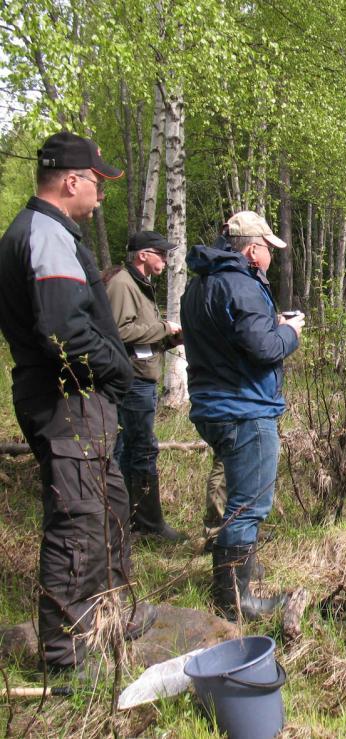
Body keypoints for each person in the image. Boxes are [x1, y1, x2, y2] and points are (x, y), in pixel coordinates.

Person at [0, 131, 154, 670]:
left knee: (108, 507)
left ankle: (112, 614)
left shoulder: (51, 233)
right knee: (77, 522)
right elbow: (64, 332)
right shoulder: (45, 236)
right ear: (71, 181)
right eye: (96, 182)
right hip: (66, 402)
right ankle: (65, 657)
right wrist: (120, 374)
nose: (100, 194)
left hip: (80, 401)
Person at [181, 210, 305, 620]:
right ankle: (235, 600)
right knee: (248, 505)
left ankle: (239, 575)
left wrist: (271, 325)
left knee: (238, 499)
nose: (271, 255)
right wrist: (289, 332)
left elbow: (232, 341)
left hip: (214, 404)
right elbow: (265, 349)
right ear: (253, 249)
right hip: (244, 407)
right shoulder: (243, 287)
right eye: (269, 248)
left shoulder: (199, 287)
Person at [105, 231, 185, 542]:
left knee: (130, 449)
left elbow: (140, 335)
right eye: (160, 254)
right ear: (143, 255)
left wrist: (167, 338)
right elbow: (119, 332)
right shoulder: (123, 284)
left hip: (139, 376)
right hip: (132, 380)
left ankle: (128, 522)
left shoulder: (138, 284)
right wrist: (164, 327)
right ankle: (147, 525)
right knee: (140, 450)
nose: (165, 260)